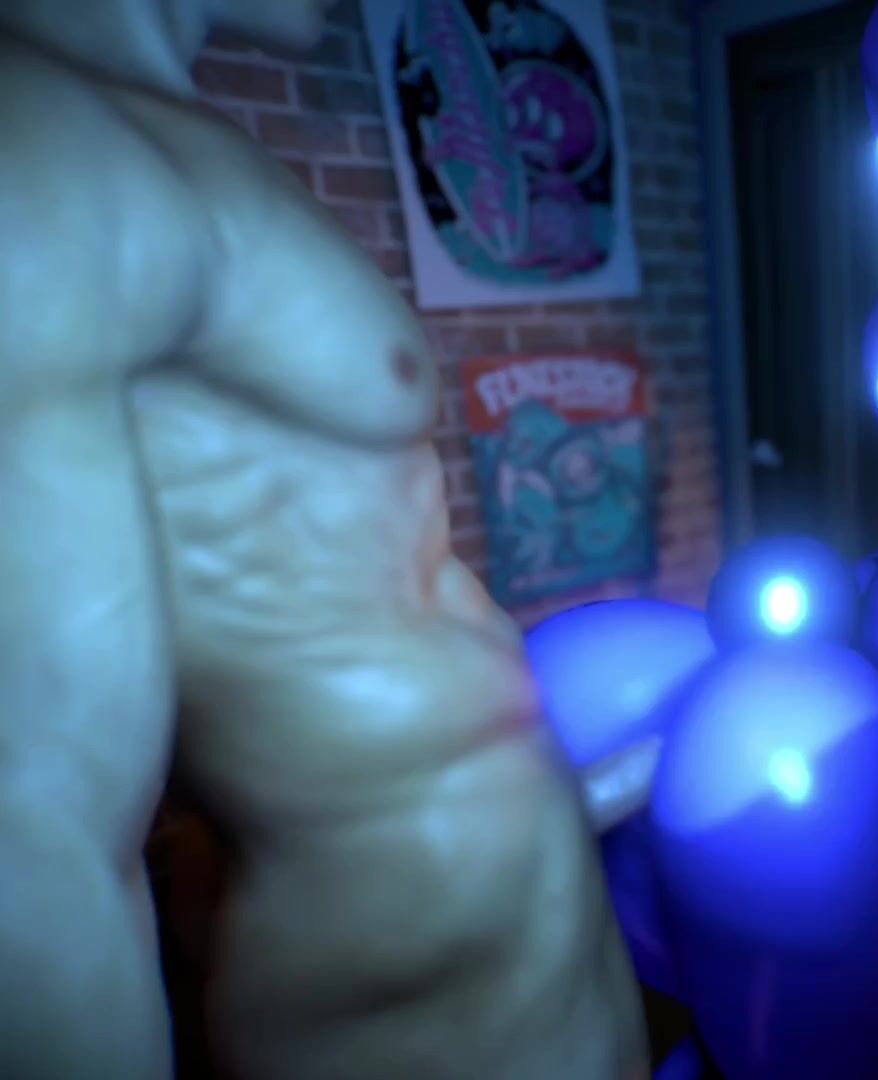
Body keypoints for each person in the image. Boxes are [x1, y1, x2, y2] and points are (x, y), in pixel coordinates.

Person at [0, 1, 644, 1075]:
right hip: (397, 964)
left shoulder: (157, 133)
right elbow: (40, 827)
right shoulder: (41, 147)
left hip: (517, 926)